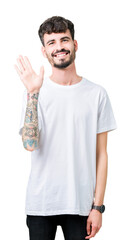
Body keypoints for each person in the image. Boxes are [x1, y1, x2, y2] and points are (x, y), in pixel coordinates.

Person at [14, 16, 117, 240]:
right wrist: (33, 93)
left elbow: (102, 154)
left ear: (74, 44)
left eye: (64, 40)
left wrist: (97, 207)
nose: (59, 47)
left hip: (80, 205)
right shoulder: (34, 92)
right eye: (51, 43)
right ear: (44, 51)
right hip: (41, 204)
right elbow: (30, 145)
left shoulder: (97, 94)